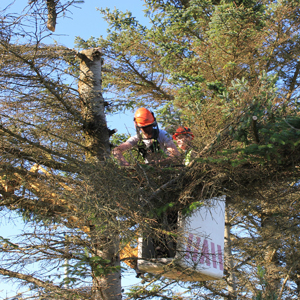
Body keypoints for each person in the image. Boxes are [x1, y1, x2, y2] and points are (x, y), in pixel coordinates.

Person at [113, 108, 180, 166]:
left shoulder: (162, 135)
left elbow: (176, 155)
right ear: (138, 127)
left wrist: (158, 163)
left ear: (153, 123)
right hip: (149, 171)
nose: (147, 129)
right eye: (144, 127)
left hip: (168, 168)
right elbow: (116, 150)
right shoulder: (136, 139)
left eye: (149, 126)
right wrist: (124, 163)